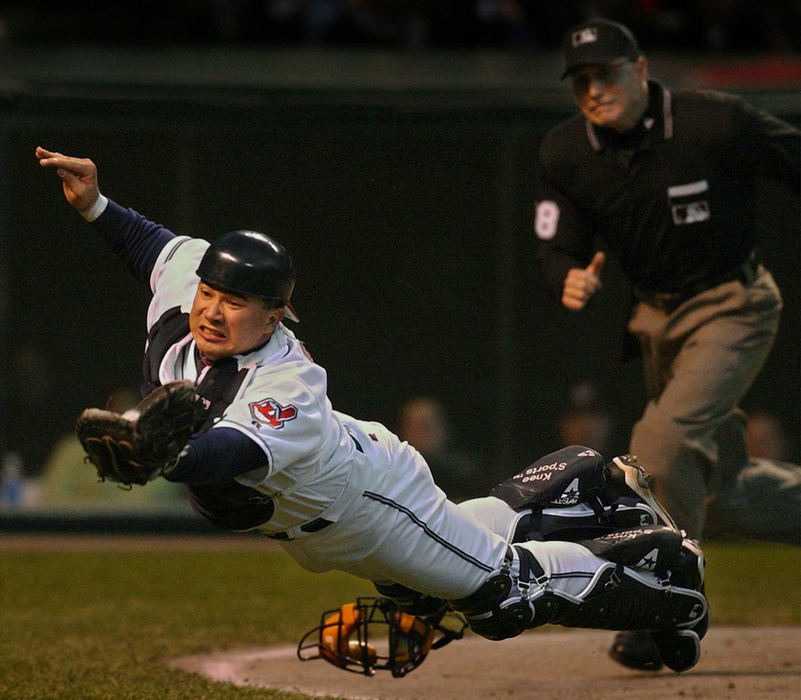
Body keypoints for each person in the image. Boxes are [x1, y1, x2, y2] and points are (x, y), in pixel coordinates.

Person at [37, 145, 708, 673]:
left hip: (365, 501)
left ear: (275, 315)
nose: (213, 308)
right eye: (210, 292)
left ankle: (668, 578)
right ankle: (582, 476)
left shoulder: (284, 382)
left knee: (501, 598)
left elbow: (230, 455)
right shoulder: (192, 303)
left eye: (235, 301)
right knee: (456, 549)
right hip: (325, 520)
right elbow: (155, 249)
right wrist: (96, 204)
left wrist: (165, 455)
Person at [533, 18, 801, 671]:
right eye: (581, 81)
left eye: (607, 73)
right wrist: (563, 273)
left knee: (663, 443)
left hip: (731, 304)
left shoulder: (715, 123)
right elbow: (554, 236)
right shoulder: (566, 152)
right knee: (723, 490)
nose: (594, 90)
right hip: (656, 321)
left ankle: (666, 607)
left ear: (641, 68)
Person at [397, 396, 483, 502]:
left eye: (426, 426)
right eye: (414, 426)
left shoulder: (463, 474)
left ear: (442, 428)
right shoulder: (396, 473)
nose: (420, 433)